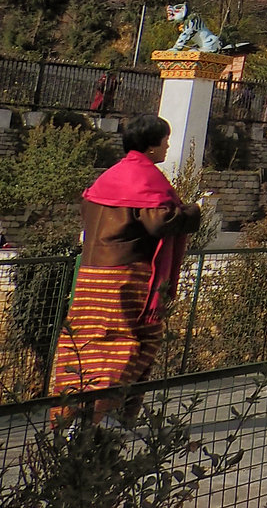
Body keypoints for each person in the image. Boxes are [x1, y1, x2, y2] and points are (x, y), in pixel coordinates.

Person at [51, 116, 205, 414]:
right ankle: (106, 414)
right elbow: (161, 221)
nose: (168, 145)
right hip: (126, 277)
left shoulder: (109, 176)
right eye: (164, 140)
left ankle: (68, 412)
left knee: (84, 340)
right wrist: (196, 210)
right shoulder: (144, 178)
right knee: (129, 341)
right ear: (150, 145)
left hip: (91, 275)